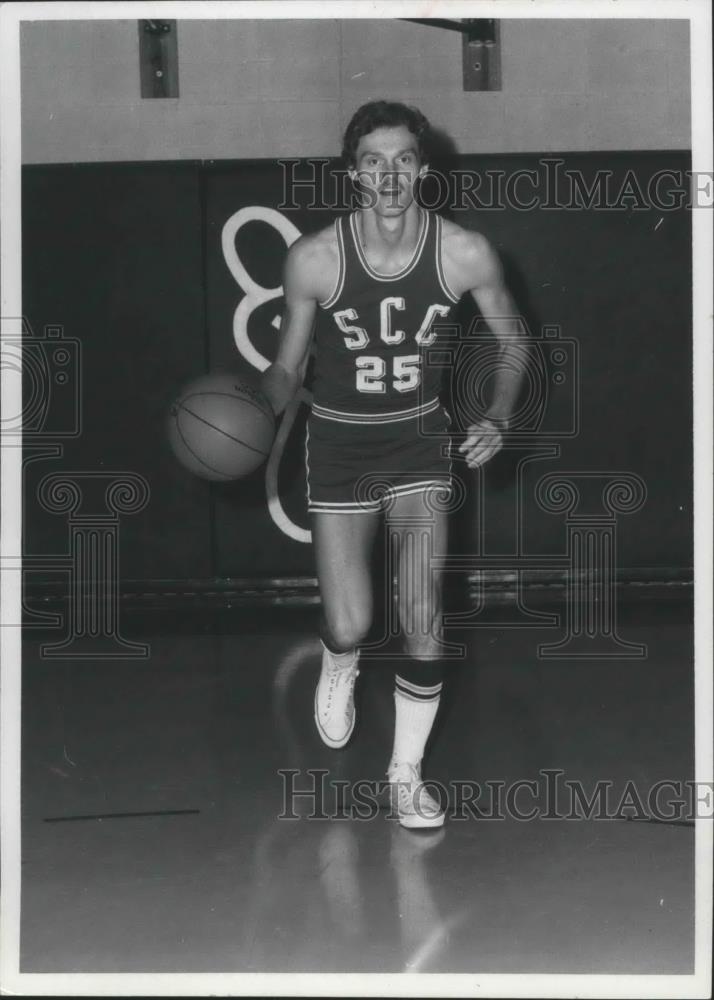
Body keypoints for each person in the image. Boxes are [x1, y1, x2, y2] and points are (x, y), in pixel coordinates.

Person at [261, 100, 526, 829]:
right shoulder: (315, 258)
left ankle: (405, 774)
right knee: (351, 623)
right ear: (353, 173)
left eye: (403, 159)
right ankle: (339, 661)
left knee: (423, 612)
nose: (389, 174)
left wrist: (498, 414)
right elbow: (286, 370)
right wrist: (258, 409)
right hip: (341, 443)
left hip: (417, 443)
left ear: (423, 170)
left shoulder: (462, 251)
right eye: (373, 161)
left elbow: (514, 340)